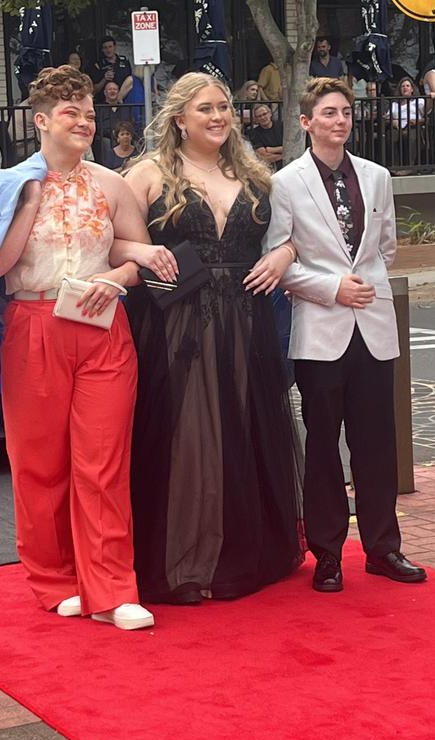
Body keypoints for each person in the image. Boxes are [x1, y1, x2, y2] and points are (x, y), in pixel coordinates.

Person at [0, 65, 158, 631]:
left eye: (90, 113)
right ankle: (54, 580)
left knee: (102, 463)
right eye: (72, 113)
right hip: (34, 322)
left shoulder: (111, 184)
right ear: (42, 120)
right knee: (40, 463)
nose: (84, 122)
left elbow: (138, 262)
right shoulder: (7, 185)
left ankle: (113, 588)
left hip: (101, 324)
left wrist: (116, 278)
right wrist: (28, 202)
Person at [120, 72, 305, 605]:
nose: (219, 116)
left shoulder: (252, 173)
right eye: (206, 109)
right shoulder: (148, 175)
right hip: (178, 328)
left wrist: (283, 255)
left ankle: (243, 555)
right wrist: (141, 254)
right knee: (188, 438)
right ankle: (183, 563)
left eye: (224, 106)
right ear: (179, 118)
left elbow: (293, 237)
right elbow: (117, 246)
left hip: (248, 321)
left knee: (244, 428)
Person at [264, 76, 426, 593]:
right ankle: (328, 554)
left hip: (374, 327)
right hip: (321, 330)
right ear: (306, 122)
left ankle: (383, 548)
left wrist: (364, 285)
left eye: (346, 113)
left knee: (377, 444)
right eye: (328, 113)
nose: (339, 121)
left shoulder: (377, 177)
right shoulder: (285, 182)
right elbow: (279, 260)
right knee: (324, 448)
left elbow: (385, 248)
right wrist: (332, 287)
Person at [389, 76, 426, 169]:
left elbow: (426, 117)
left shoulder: (418, 101)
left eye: (407, 86)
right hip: (398, 127)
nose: (405, 88)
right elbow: (388, 117)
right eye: (403, 86)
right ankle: (396, 166)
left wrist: (417, 121)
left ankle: (410, 167)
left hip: (413, 126)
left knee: (411, 138)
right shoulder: (395, 104)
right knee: (392, 137)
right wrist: (393, 121)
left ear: (412, 89)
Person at [95, 81, 131, 163]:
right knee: (105, 142)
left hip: (122, 136)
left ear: (118, 92)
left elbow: (129, 124)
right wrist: (112, 134)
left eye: (115, 89)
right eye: (110, 89)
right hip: (106, 137)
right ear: (105, 93)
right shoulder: (99, 109)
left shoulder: (125, 108)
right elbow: (98, 126)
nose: (112, 91)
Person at [92, 36, 132, 103]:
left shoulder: (124, 61)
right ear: (102, 50)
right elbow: (94, 90)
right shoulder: (98, 65)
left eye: (110, 47)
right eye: (105, 48)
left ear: (115, 47)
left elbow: (131, 81)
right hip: (104, 104)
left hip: (125, 102)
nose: (108, 50)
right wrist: (104, 79)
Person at [249, 103, 283, 169]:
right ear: (256, 119)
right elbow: (263, 156)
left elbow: (291, 148)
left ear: (270, 113)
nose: (263, 117)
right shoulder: (254, 133)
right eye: (259, 116)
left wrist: (270, 150)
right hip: (269, 167)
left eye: (264, 114)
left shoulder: (282, 126)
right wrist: (283, 155)